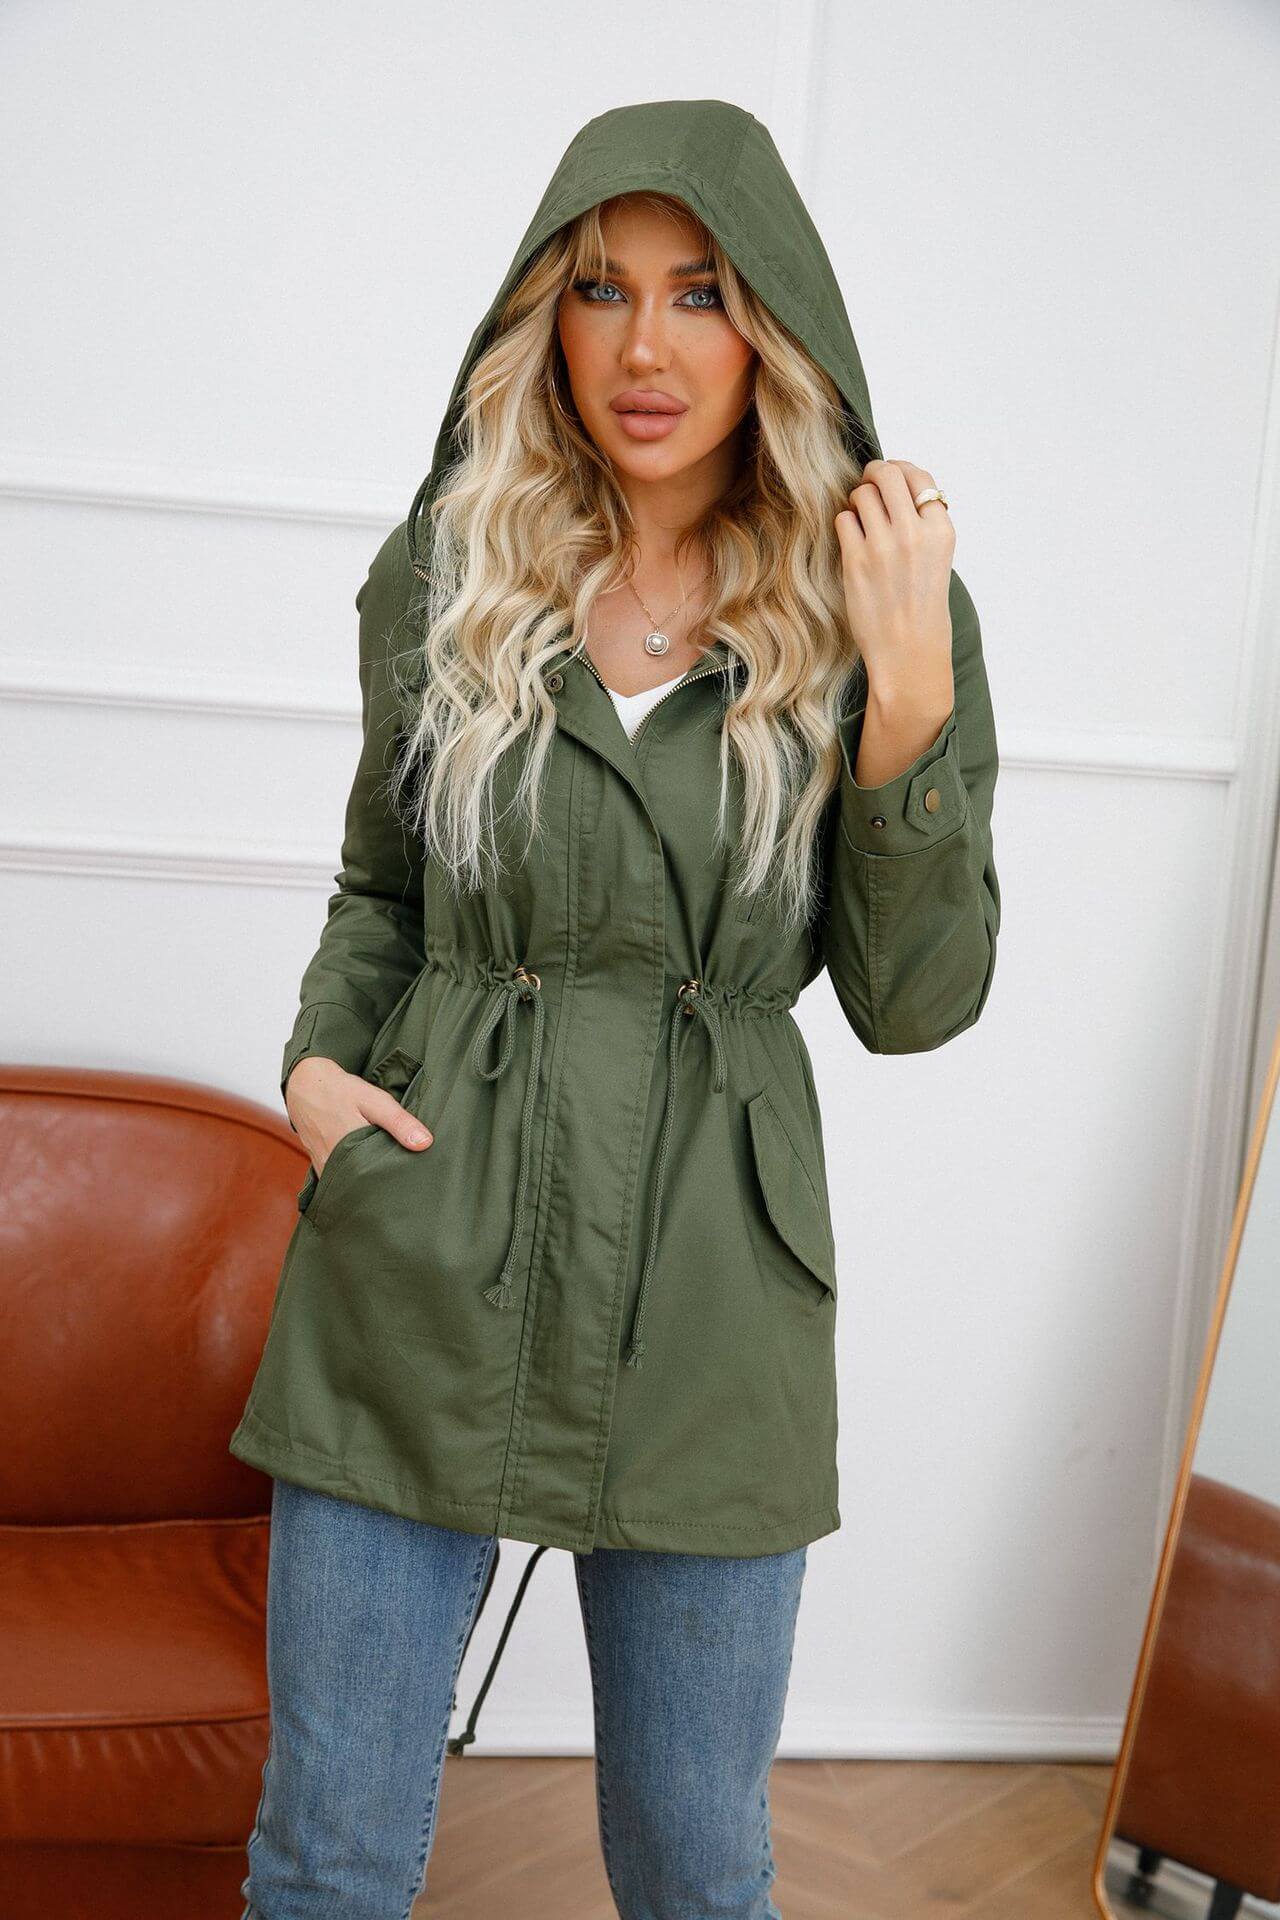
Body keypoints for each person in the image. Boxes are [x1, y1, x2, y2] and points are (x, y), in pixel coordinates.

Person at [231, 96, 1000, 1920]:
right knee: (326, 1859)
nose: (645, 346)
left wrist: (906, 697)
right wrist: (316, 1072)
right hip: (421, 1245)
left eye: (701, 293)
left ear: (774, 326)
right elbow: (383, 891)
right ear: (545, 315)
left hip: (713, 1298)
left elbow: (915, 1002)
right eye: (600, 288)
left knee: (694, 1869)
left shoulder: (884, 608)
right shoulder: (448, 569)